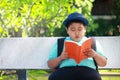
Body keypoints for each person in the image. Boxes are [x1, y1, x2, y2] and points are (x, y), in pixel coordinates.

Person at [47, 12, 107, 80]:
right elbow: (50, 64)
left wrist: (95, 55)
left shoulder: (92, 42)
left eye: (79, 29)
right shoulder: (61, 42)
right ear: (67, 30)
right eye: (72, 30)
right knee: (53, 77)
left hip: (88, 72)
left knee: (95, 77)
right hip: (65, 72)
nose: (76, 33)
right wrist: (61, 58)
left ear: (85, 29)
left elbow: (103, 63)